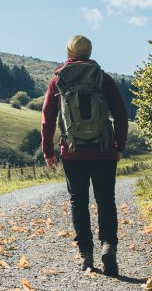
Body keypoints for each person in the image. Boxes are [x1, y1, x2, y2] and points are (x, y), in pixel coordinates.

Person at [41, 35, 129, 276]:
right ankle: (108, 246)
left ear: (69, 53)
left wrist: (48, 151)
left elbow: (47, 119)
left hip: (72, 152)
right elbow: (121, 115)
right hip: (104, 150)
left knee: (78, 202)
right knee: (105, 200)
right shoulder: (103, 79)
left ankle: (86, 255)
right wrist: (119, 145)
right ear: (89, 53)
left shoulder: (58, 80)